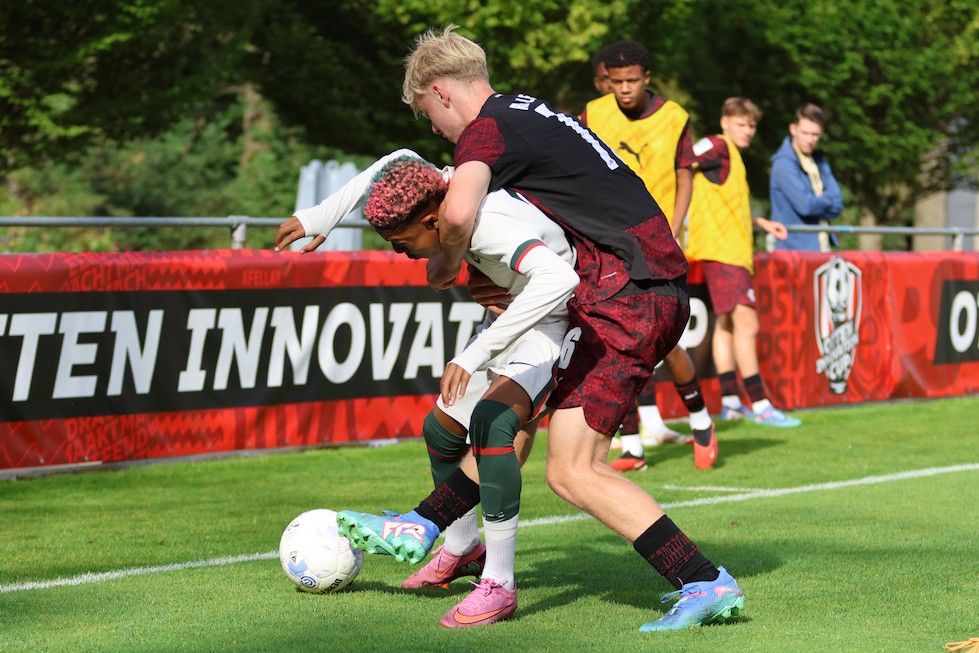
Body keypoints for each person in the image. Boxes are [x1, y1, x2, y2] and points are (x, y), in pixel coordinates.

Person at [340, 25, 744, 633]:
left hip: (624, 292)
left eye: (427, 114)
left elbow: (456, 212)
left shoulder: (485, 129)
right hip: (635, 286)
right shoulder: (525, 110)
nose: (435, 131)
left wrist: (450, 268)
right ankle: (427, 525)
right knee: (516, 426)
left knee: (571, 468)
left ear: (442, 92)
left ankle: (702, 580)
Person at [275, 151, 579, 628]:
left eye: (402, 243)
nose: (403, 254)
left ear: (433, 221)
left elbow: (560, 278)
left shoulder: (489, 224)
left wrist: (473, 355)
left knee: (493, 425)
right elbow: (398, 158)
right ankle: (461, 547)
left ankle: (499, 584)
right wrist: (322, 216)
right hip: (511, 317)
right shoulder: (444, 187)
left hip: (556, 321)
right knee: (441, 430)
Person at [580, 40, 715, 470]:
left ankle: (701, 419)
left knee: (665, 342)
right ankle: (632, 445)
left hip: (658, 245)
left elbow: (685, 174)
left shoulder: (674, 117)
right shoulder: (593, 113)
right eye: (617, 81)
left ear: (647, 78)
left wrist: (674, 227)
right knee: (615, 343)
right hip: (608, 242)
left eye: (632, 81)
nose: (624, 89)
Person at [686, 98, 802, 427]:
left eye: (751, 126)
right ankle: (761, 403)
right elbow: (681, 160)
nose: (748, 131)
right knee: (747, 325)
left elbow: (726, 207)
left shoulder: (733, 157)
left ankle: (731, 402)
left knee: (725, 327)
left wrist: (760, 222)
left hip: (724, 253)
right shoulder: (719, 146)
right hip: (725, 255)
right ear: (725, 122)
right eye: (741, 124)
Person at [769, 102, 844, 252]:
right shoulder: (783, 163)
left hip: (822, 248)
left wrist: (818, 202)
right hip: (793, 251)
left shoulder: (819, 161)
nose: (810, 140)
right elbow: (806, 206)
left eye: (815, 134)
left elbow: (838, 204)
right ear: (793, 129)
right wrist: (827, 200)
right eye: (805, 133)